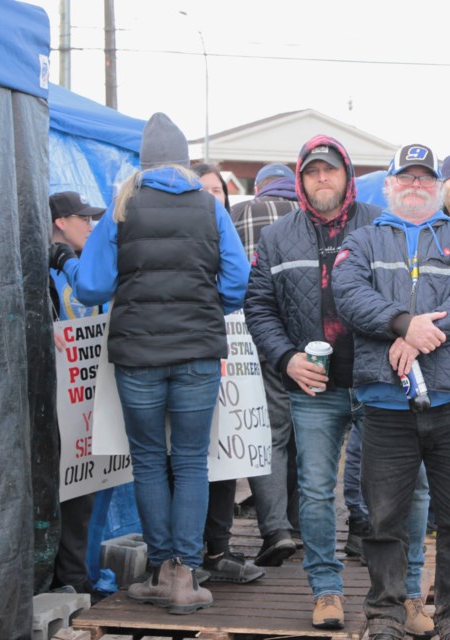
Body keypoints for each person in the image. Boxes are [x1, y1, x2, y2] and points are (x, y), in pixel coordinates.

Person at [50, 112, 250, 614]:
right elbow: (237, 280)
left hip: (137, 357)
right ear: (183, 161)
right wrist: (206, 307)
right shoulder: (210, 207)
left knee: (148, 461)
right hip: (199, 354)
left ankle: (162, 572)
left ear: (143, 161)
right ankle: (186, 574)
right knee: (190, 461)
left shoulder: (123, 206)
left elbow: (93, 286)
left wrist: (67, 263)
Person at [332, 143, 450, 640]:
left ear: (441, 186)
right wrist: (403, 324)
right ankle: (384, 614)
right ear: (388, 186)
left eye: (426, 178)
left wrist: (419, 337)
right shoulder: (361, 241)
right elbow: (349, 295)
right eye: (406, 178)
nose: (415, 185)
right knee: (382, 521)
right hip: (385, 405)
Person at [244, 135, 379, 630]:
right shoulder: (279, 236)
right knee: (317, 491)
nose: (322, 178)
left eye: (330, 170)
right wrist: (285, 358)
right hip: (314, 388)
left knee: (385, 488)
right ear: (300, 180)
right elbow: (258, 305)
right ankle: (326, 590)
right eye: (312, 172)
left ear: (347, 175)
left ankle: (394, 593)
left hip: (373, 380)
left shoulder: (377, 226)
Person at [189, 163, 265, 585]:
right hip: (195, 356)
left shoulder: (231, 238)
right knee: (184, 459)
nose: (210, 197)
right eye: (202, 189)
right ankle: (187, 553)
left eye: (217, 190)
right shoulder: (183, 240)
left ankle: (219, 546)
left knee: (225, 457)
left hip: (232, 357)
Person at [230, 162, 302, 567]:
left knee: (268, 435)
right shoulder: (307, 217)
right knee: (304, 434)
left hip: (251, 338)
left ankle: (276, 530)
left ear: (259, 187)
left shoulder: (238, 214)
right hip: (305, 343)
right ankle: (302, 524)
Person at [47, 191, 106, 600]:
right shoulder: (41, 264)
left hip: (82, 391)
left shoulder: (84, 264)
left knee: (82, 488)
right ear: (60, 222)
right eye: (83, 218)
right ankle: (63, 579)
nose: (90, 225)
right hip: (51, 395)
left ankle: (75, 577)